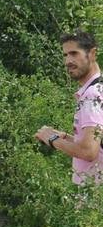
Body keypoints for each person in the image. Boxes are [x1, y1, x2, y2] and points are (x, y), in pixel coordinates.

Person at [35, 29, 102, 185]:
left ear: (92, 54)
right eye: (65, 55)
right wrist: (66, 138)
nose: (68, 61)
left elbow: (89, 151)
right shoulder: (98, 89)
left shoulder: (92, 95)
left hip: (93, 193)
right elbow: (97, 145)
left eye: (74, 53)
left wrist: (51, 139)